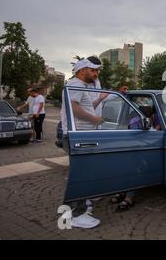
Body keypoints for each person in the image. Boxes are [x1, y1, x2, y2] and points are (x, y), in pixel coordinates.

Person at [60, 58, 108, 229]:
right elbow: (74, 108)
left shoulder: (81, 86)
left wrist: (100, 99)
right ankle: (75, 215)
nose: (96, 74)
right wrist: (95, 119)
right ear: (83, 70)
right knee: (79, 176)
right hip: (77, 136)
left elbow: (87, 106)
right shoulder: (76, 84)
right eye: (93, 70)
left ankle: (82, 205)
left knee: (84, 173)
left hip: (83, 135)